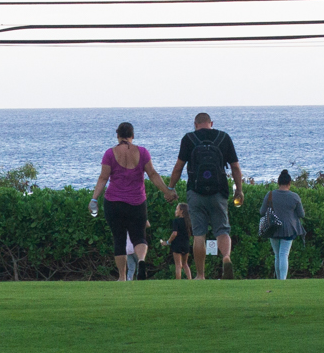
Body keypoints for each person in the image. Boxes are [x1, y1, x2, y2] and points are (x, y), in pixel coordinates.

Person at [90, 121, 175, 281]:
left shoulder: (109, 154)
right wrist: (167, 191)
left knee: (119, 239)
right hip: (137, 202)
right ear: (132, 136)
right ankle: (141, 260)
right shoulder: (142, 153)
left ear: (118, 135)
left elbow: (103, 178)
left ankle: (122, 277)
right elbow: (153, 175)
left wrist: (94, 199)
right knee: (139, 237)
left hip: (114, 203)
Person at [166, 112, 244, 279]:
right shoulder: (224, 138)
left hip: (195, 192)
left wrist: (170, 188)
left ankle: (201, 275)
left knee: (199, 233)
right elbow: (235, 167)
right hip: (219, 191)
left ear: (195, 124)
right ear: (211, 123)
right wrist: (239, 189)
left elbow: (178, 167)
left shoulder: (189, 139)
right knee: (222, 229)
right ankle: (226, 257)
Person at [259, 169, 306, 280]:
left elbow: (262, 212)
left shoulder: (270, 195)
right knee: (284, 254)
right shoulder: (295, 197)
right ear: (289, 183)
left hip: (272, 228)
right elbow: (301, 214)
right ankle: (283, 280)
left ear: (278, 182)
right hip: (289, 228)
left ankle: (278, 279)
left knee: (277, 255)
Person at [165, 202, 193, 279]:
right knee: (185, 264)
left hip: (177, 244)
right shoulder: (189, 222)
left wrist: (168, 242)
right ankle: (190, 279)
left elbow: (174, 233)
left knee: (178, 265)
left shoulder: (176, 221)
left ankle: (178, 281)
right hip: (186, 244)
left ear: (181, 211)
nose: (175, 211)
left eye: (177, 209)